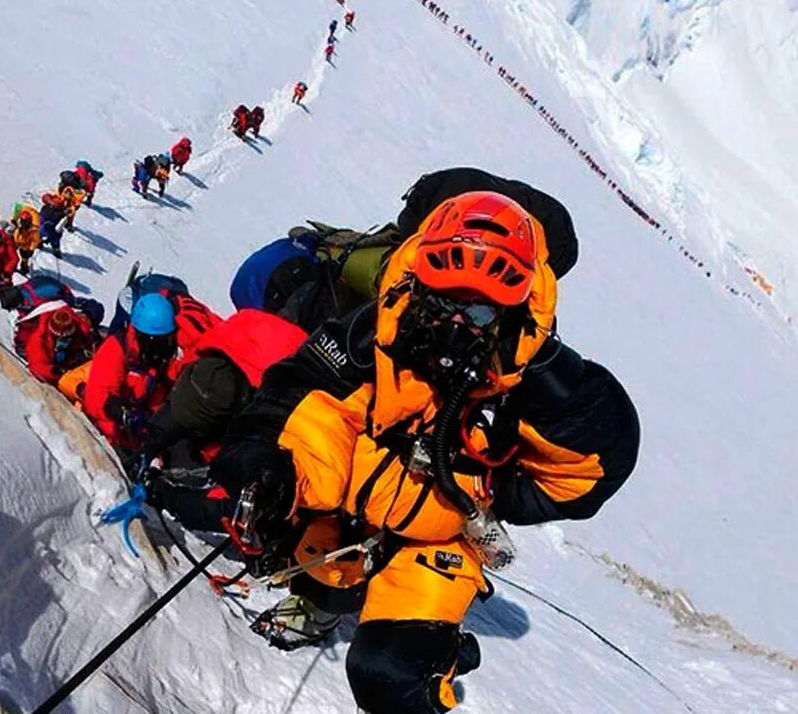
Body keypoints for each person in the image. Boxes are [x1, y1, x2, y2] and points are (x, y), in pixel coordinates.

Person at [212, 190, 638, 713]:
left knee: (388, 676)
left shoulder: (523, 378)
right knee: (312, 549)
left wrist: (548, 380)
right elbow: (298, 396)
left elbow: (587, 471)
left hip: (437, 533)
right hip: (354, 501)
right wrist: (268, 466)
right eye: (445, 302)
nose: (458, 324)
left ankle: (433, 656)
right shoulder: (377, 333)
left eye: (480, 311)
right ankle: (319, 604)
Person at [131, 308, 308, 532]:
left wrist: (171, 498)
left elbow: (238, 511)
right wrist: (152, 441)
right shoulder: (210, 352)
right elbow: (188, 397)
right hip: (271, 354)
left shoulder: (282, 419)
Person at [84, 293, 217, 451]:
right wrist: (121, 413)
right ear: (139, 336)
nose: (158, 350)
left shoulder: (171, 357)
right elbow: (97, 395)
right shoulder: (117, 348)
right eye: (153, 343)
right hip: (119, 433)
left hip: (155, 431)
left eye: (164, 341)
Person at [16, 305, 97, 386]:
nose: (63, 338)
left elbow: (87, 339)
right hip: (57, 369)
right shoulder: (38, 339)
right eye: (58, 337)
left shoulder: (79, 329)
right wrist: (56, 372)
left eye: (66, 337)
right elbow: (39, 367)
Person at [10, 205, 41, 275]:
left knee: (24, 256)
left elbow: (35, 241)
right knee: (12, 255)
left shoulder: (33, 230)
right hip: (17, 242)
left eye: (25, 221)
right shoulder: (19, 226)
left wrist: (31, 249)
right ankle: (12, 266)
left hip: (26, 245)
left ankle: (24, 268)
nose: (23, 222)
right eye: (22, 220)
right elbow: (16, 234)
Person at [38, 192, 67, 258]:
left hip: (43, 227)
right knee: (55, 239)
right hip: (51, 230)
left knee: (39, 234)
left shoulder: (46, 207)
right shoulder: (61, 213)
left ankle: (39, 243)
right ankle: (56, 250)